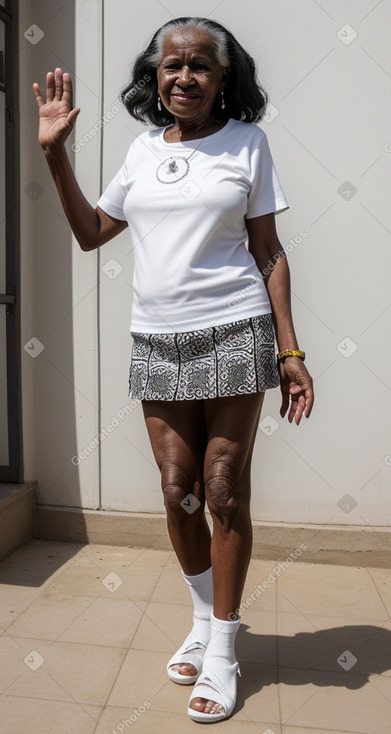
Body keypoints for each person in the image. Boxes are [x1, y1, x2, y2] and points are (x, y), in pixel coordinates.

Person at [33, 16, 314, 723]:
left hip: (232, 328)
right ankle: (205, 618)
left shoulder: (247, 143)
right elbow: (93, 233)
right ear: (153, 77)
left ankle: (221, 652)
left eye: (198, 67)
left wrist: (290, 352)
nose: (182, 77)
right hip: (157, 337)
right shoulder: (138, 150)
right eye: (170, 66)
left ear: (224, 79)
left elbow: (269, 253)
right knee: (176, 489)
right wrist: (55, 155)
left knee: (222, 487)